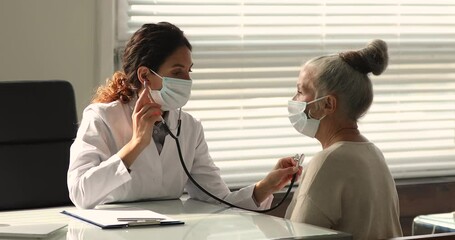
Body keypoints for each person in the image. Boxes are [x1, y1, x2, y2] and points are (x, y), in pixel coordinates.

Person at [67, 22, 301, 210]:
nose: (188, 81)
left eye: (189, 72)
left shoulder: (188, 127)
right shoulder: (101, 118)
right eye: (178, 72)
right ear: (145, 75)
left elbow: (217, 198)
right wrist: (137, 144)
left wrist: (267, 185)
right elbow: (80, 194)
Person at [284, 39, 403, 239]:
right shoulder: (373, 153)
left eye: (300, 91)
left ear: (328, 104)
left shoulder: (328, 162)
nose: (294, 100)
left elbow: (299, 236)